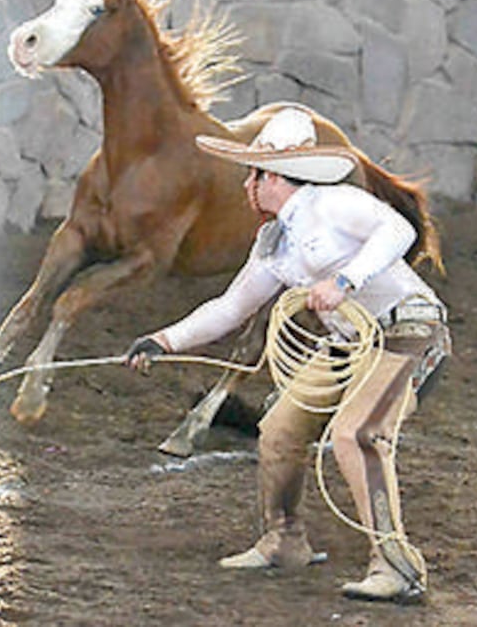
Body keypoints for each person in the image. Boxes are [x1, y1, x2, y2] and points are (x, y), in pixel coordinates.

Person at [125, 106, 451, 603]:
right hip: (349, 342)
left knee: (358, 433)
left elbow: (397, 232)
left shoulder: (336, 202)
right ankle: (283, 541)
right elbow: (232, 305)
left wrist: (344, 281)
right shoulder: (274, 242)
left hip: (409, 330)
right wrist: (165, 340)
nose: (245, 186)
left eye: (252, 175)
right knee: (278, 429)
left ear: (273, 176)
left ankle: (398, 566)